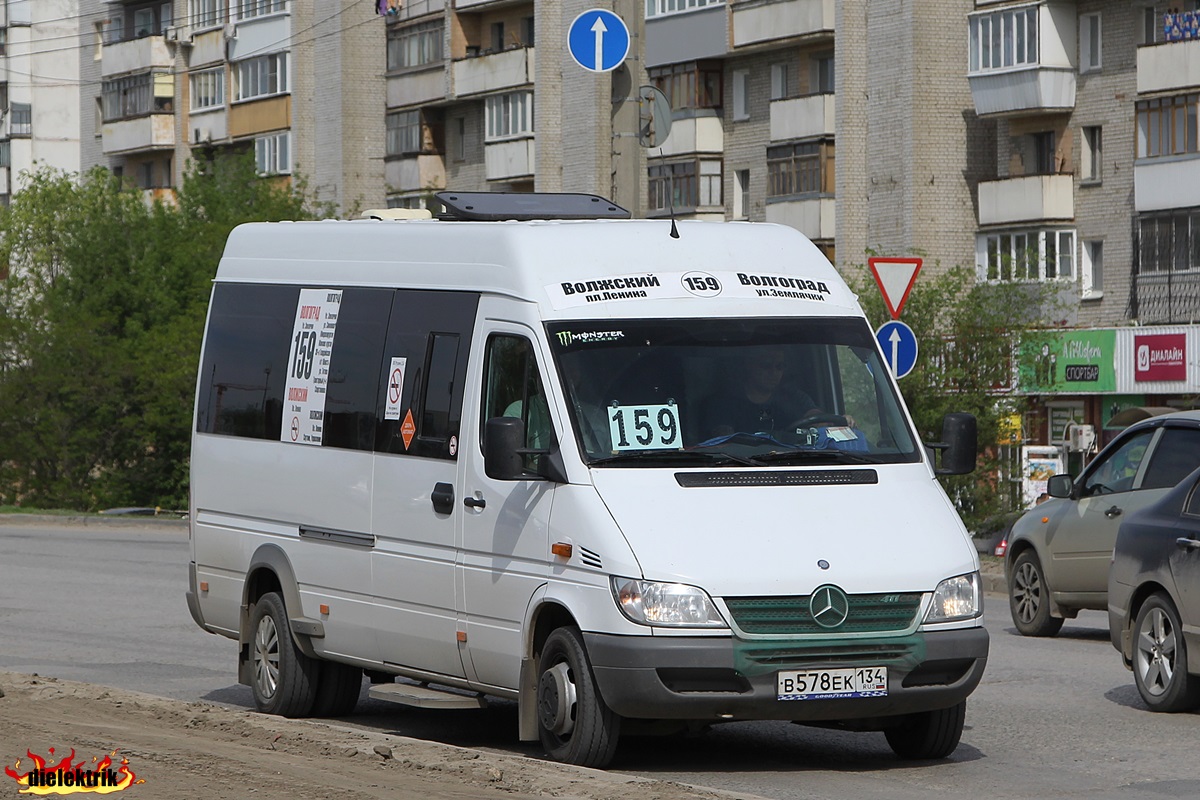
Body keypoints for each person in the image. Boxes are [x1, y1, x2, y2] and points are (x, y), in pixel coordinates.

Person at [701, 347, 845, 439]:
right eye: (766, 366)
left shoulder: (793, 397)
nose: (774, 373)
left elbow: (815, 418)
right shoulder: (724, 402)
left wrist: (839, 421)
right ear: (749, 366)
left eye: (779, 366)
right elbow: (723, 443)